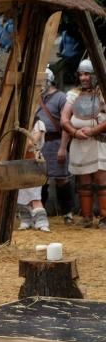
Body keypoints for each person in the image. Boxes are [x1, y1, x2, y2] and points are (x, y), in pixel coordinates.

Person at [61, 59, 106, 228]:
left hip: (99, 142)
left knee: (102, 181)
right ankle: (86, 217)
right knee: (84, 182)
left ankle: (104, 218)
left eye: (87, 74)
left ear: (95, 75)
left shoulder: (103, 93)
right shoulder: (74, 94)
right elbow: (65, 119)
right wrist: (74, 132)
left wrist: (94, 131)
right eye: (81, 74)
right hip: (79, 143)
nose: (83, 78)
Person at [36, 68, 73, 222]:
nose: (39, 85)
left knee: (61, 179)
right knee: (40, 179)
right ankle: (41, 213)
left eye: (41, 82)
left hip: (56, 142)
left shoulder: (61, 97)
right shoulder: (36, 98)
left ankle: (67, 213)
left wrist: (63, 148)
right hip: (39, 143)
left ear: (48, 80)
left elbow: (66, 124)